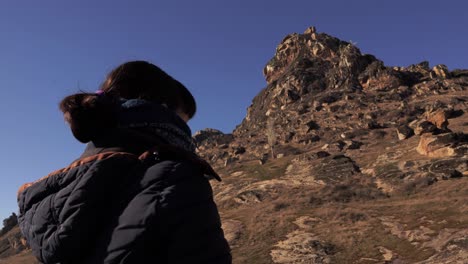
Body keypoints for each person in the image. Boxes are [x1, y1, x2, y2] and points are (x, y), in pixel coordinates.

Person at [17, 61, 232, 264]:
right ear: (164, 112)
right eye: (184, 121)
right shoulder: (177, 178)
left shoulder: (61, 190)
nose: (188, 134)